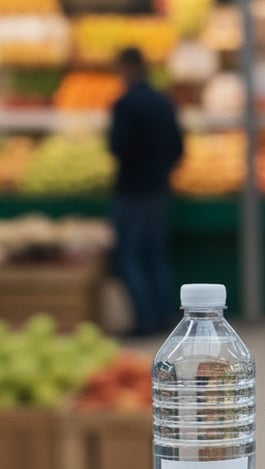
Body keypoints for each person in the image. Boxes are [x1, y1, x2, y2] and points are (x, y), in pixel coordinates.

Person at [109, 47, 184, 336]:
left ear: (126, 68)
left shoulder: (125, 104)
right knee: (156, 257)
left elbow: (117, 146)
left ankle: (144, 321)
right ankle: (165, 317)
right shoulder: (164, 101)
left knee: (129, 258)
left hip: (132, 191)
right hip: (159, 189)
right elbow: (178, 148)